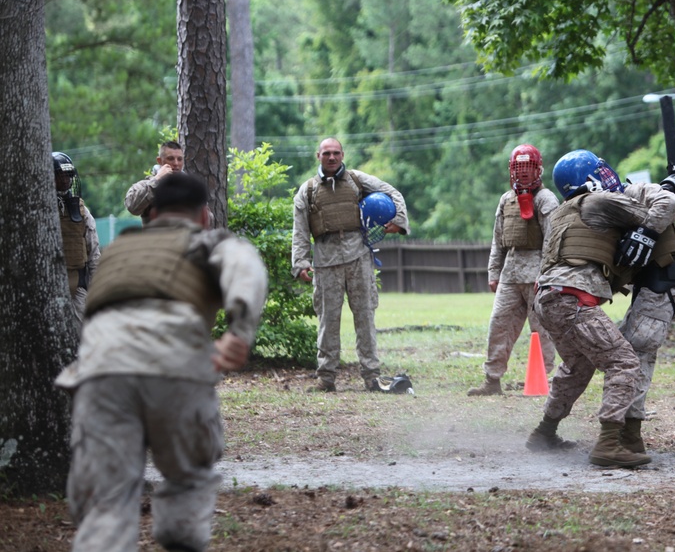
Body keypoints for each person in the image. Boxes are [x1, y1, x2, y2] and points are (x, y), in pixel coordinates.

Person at [55, 172, 268, 552]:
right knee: (189, 477)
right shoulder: (204, 241)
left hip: (101, 373)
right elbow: (244, 265)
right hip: (175, 368)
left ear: (151, 213)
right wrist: (240, 329)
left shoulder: (119, 249)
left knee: (106, 500)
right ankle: (181, 535)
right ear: (203, 215)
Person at [525, 150, 675, 468]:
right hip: (572, 300)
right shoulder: (598, 202)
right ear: (592, 178)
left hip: (546, 299)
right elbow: (665, 207)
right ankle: (609, 443)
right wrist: (671, 190)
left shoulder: (562, 211)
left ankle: (544, 433)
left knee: (579, 365)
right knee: (623, 361)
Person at [291, 137, 410, 393]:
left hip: (358, 257)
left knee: (365, 317)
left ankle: (371, 377)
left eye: (336, 153)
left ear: (342, 155)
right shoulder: (308, 190)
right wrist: (300, 262)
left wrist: (399, 221)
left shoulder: (357, 180)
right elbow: (300, 230)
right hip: (325, 261)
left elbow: (393, 193)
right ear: (318, 156)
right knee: (327, 321)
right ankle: (326, 378)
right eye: (326, 154)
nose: (331, 158)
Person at [468, 144, 559, 396]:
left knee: (541, 329)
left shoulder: (546, 199)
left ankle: (544, 379)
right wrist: (493, 272)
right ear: (511, 170)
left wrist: (546, 275)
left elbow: (553, 240)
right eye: (519, 168)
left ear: (538, 169)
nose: (523, 173)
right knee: (499, 325)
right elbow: (498, 240)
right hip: (510, 274)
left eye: (528, 168)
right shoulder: (506, 200)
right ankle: (492, 380)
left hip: (537, 275)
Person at [617, 171, 675, 455]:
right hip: (655, 286)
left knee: (635, 355)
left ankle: (629, 435)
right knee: (625, 349)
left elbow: (668, 202)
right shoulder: (605, 204)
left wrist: (646, 233)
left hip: (662, 284)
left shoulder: (629, 193)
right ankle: (623, 430)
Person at [53, 152, 101, 333]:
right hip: (50, 287)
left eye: (68, 176)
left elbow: (93, 250)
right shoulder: (40, 208)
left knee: (83, 336)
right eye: (60, 175)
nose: (65, 180)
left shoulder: (80, 210)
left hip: (76, 287)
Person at [124, 140, 184, 224]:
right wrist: (157, 180)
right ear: (159, 161)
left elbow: (207, 219)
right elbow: (132, 207)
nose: (176, 163)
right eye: (170, 158)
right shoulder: (145, 185)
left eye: (180, 159)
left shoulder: (189, 187)